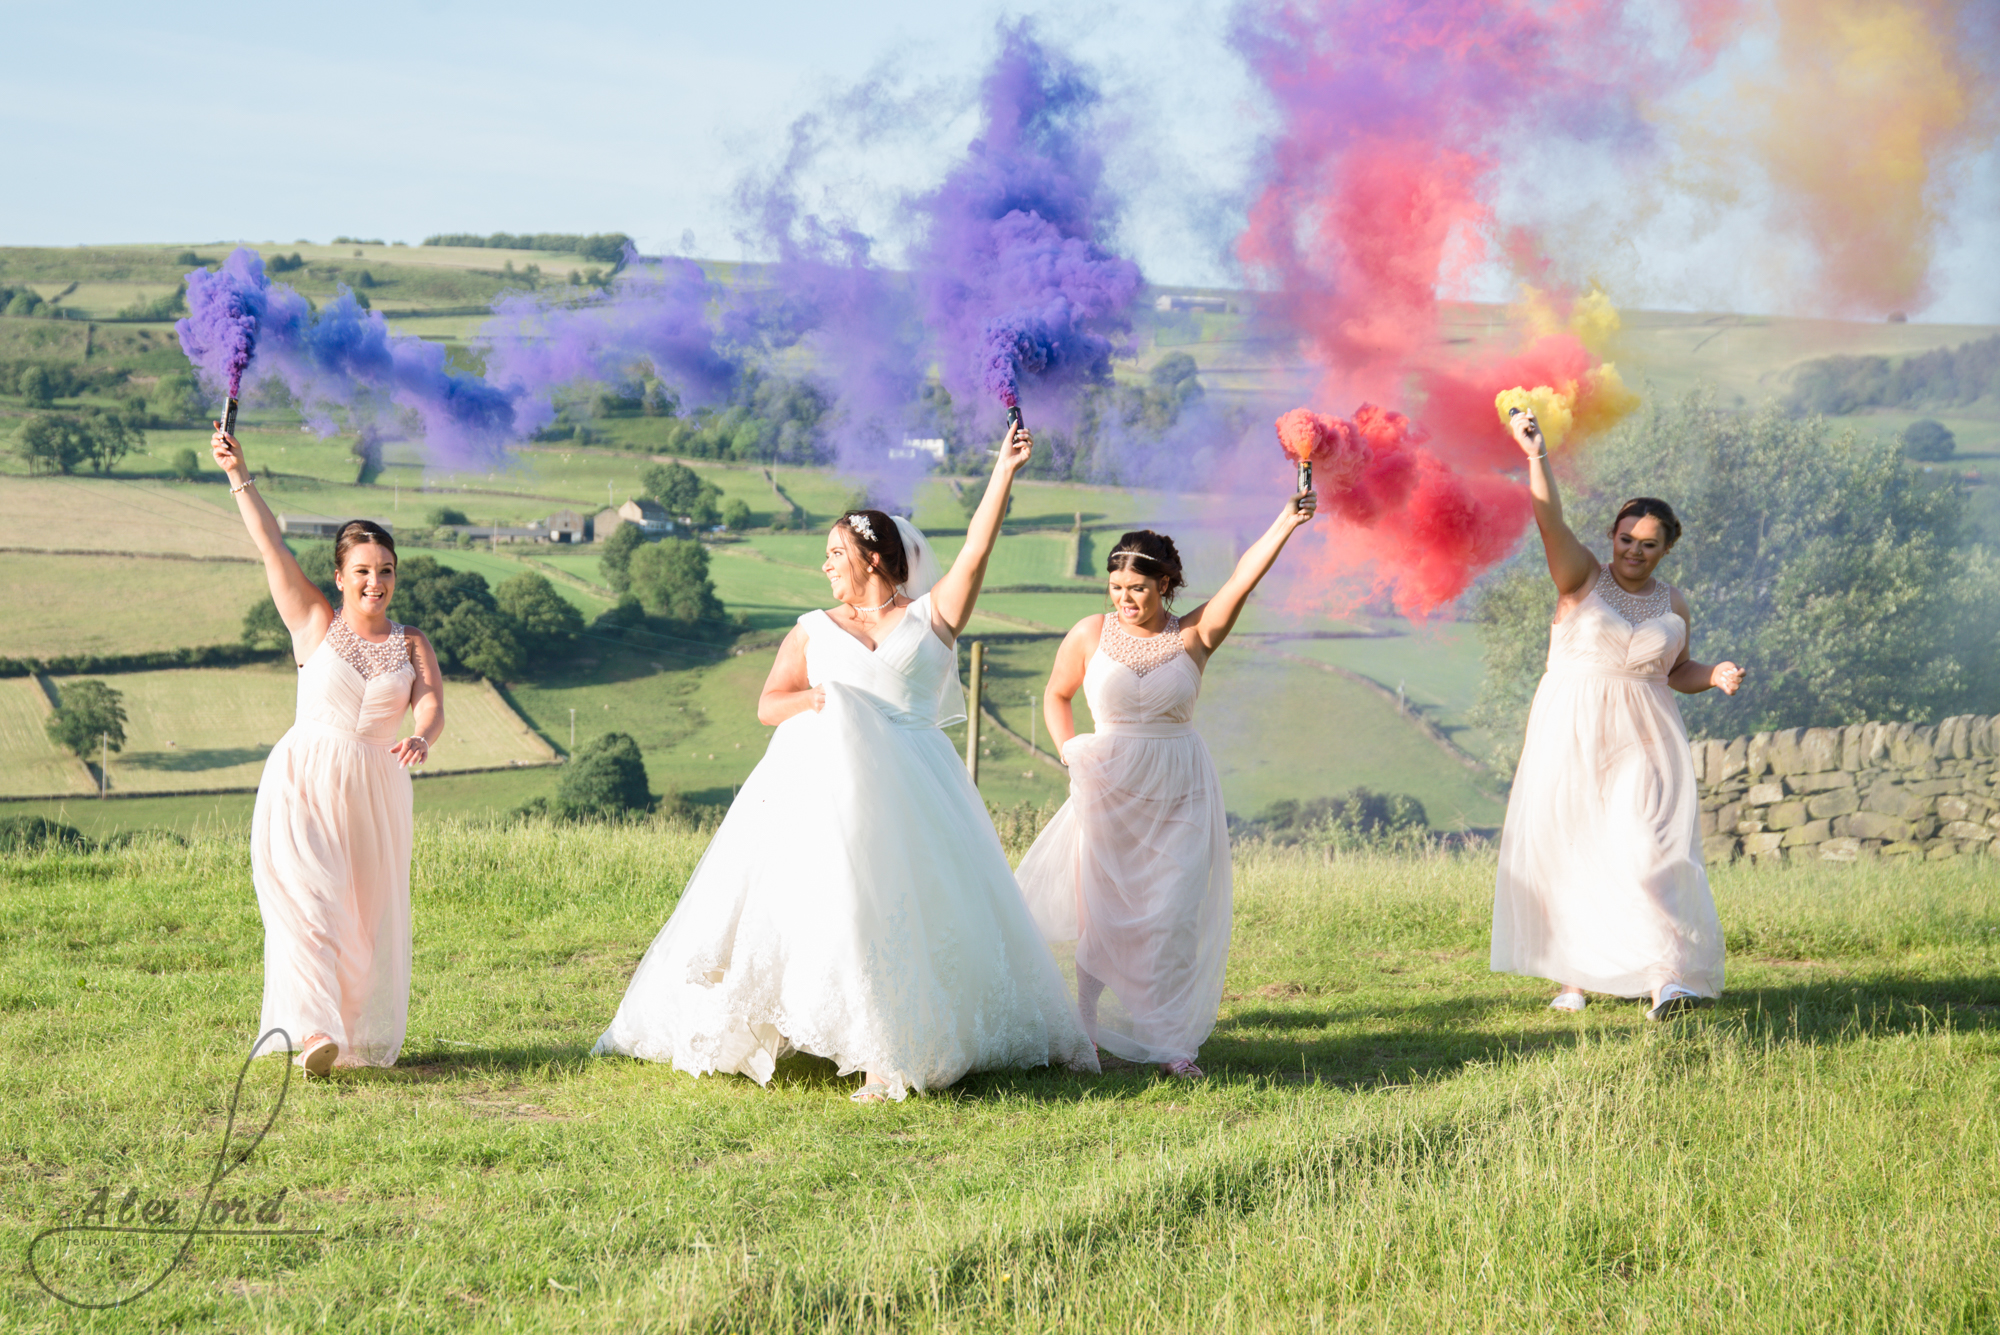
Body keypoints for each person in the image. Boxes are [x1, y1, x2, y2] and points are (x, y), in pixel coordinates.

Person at [593, 425, 1098, 1102]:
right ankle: (811, 1029)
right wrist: (817, 696)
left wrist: (1003, 471)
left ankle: (891, 1051)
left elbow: (978, 548)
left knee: (903, 911)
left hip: (915, 791)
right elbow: (770, 704)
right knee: (829, 907)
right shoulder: (812, 628)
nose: (826, 563)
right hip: (822, 789)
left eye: (836, 551)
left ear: (873, 555)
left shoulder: (933, 618)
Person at [1015, 487, 1319, 1079]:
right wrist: (1068, 752)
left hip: (1179, 786)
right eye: (1116, 588)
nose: (1125, 599)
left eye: (1138, 589)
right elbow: (1057, 694)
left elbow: (1241, 581)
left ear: (1166, 586)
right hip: (1107, 784)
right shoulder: (1088, 633)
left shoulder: (1195, 636)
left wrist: (1286, 520)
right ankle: (1084, 1023)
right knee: (1099, 908)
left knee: (1171, 912)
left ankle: (1172, 1041)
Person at [1489, 408, 1744, 1020]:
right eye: (1626, 539)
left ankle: (1668, 981)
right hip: (1573, 728)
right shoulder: (1580, 580)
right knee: (1574, 847)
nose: (1634, 550)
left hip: (1647, 736)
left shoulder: (1673, 601)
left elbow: (1671, 671)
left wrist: (1711, 674)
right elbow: (1549, 521)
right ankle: (1576, 976)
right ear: (1612, 538)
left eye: (1648, 544)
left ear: (1666, 548)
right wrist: (1536, 454)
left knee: (1649, 849)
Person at [212, 425, 443, 1075]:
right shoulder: (314, 623)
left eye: (386, 571)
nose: (376, 582)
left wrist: (421, 734)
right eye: (363, 571)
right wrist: (239, 473)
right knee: (311, 903)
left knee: (360, 924)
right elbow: (269, 544)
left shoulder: (413, 642)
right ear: (340, 575)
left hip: (378, 794)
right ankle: (313, 1031)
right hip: (305, 782)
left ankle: (347, 1029)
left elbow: (430, 703)